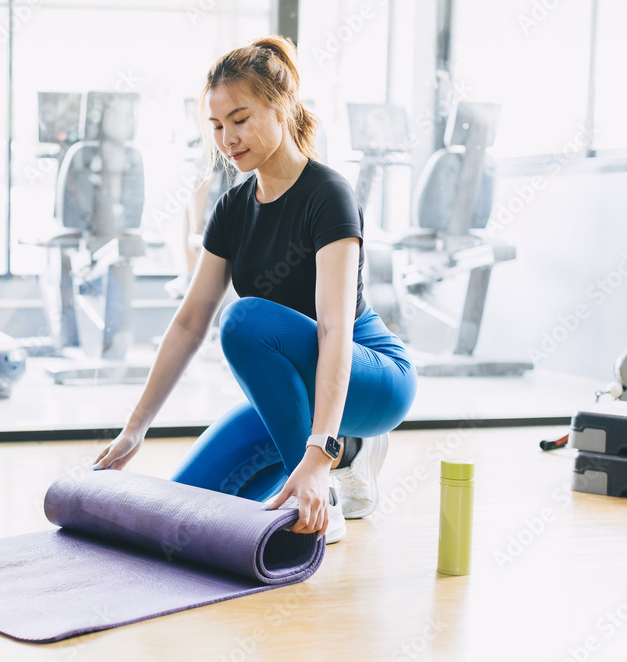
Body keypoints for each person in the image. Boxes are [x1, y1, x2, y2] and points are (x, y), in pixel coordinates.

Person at [91, 35, 417, 543]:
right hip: (295, 398)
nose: (227, 138)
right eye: (217, 126)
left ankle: (330, 477)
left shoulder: (327, 196)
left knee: (243, 321)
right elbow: (188, 320)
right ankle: (343, 452)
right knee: (185, 515)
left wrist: (317, 455)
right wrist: (136, 428)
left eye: (240, 120)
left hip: (371, 376)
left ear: (281, 107)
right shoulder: (233, 208)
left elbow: (333, 328)